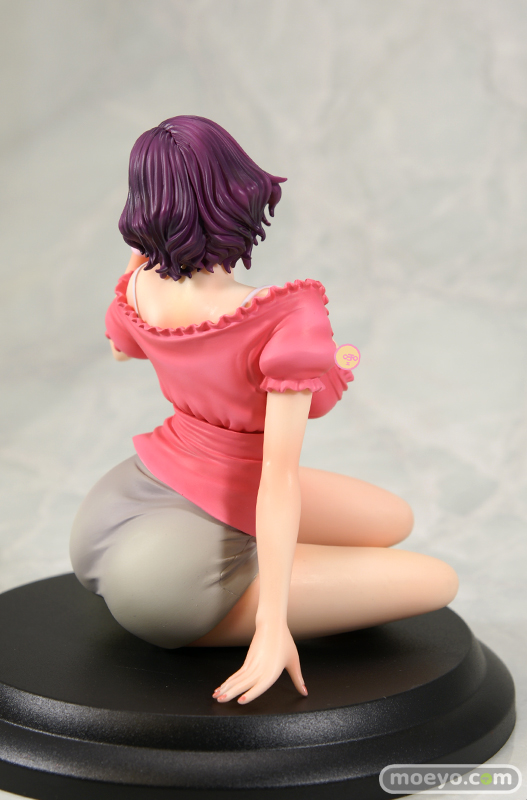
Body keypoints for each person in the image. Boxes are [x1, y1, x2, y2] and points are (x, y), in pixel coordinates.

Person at [70, 115, 459, 706]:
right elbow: (277, 479)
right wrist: (272, 626)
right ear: (236, 191)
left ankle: (250, 559)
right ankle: (247, 574)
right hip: (165, 583)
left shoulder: (141, 286)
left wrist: (141, 256)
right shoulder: (286, 318)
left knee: (392, 520)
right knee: (437, 579)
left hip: (113, 509)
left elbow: (121, 348)